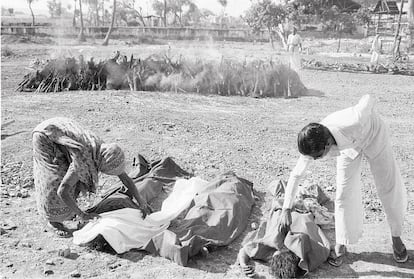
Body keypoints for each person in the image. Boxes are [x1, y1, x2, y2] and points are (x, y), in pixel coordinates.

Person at [277, 95, 408, 266]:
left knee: (388, 186)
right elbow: (297, 174)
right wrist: (286, 208)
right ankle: (342, 242)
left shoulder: (355, 119)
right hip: (348, 147)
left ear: (326, 146)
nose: (315, 160)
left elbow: (369, 98)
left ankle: (396, 237)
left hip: (373, 133)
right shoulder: (315, 141)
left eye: (317, 157)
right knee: (343, 194)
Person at [32, 117, 151, 237]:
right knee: (56, 178)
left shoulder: (104, 151)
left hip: (61, 129)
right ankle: (54, 221)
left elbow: (125, 178)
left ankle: (70, 210)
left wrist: (141, 201)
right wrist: (82, 215)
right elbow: (62, 191)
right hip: (45, 135)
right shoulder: (83, 162)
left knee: (73, 178)